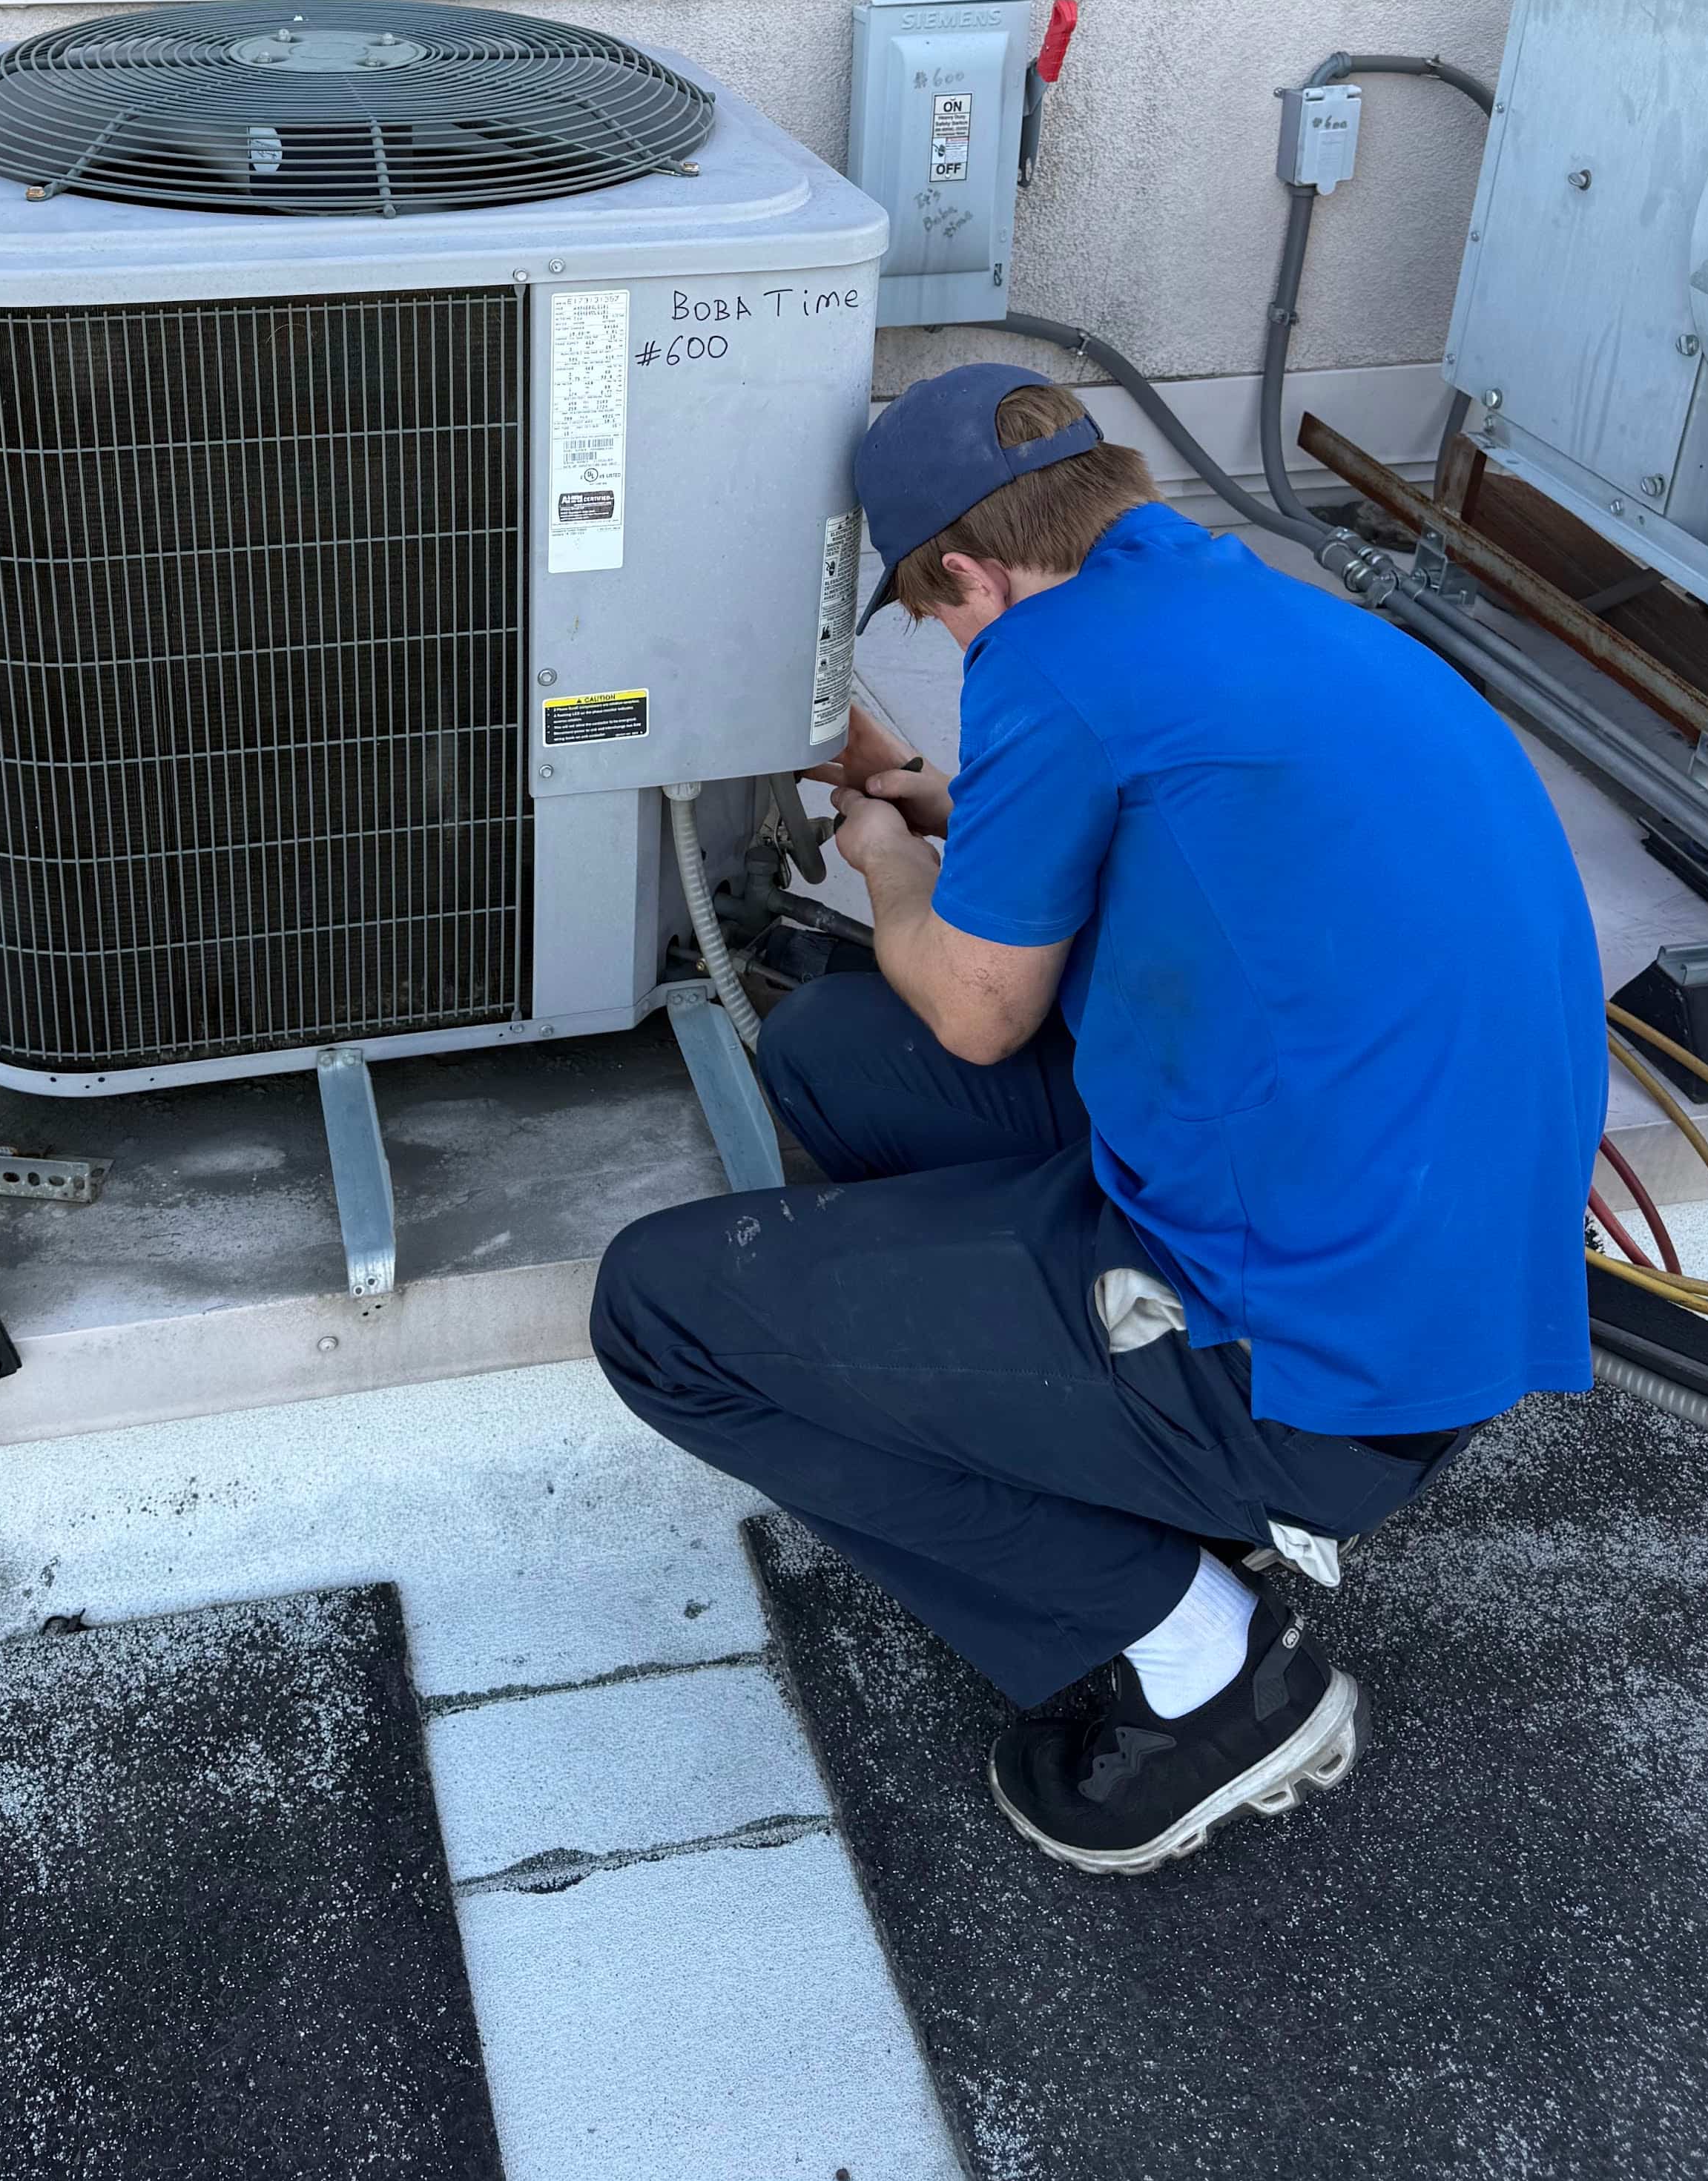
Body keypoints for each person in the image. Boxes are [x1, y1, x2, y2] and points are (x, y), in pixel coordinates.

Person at [592, 365, 1606, 1876]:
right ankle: (1106, 1436)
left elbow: (977, 1010)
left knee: (660, 1312)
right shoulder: (1234, 601)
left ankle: (1208, 1664)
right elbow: (1150, 827)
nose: (951, 641)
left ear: (969, 573)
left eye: (934, 615)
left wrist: (885, 860)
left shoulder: (1049, 661)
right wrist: (932, 797)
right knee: (829, 1052)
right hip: (1412, 1247)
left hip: (1307, 1367)